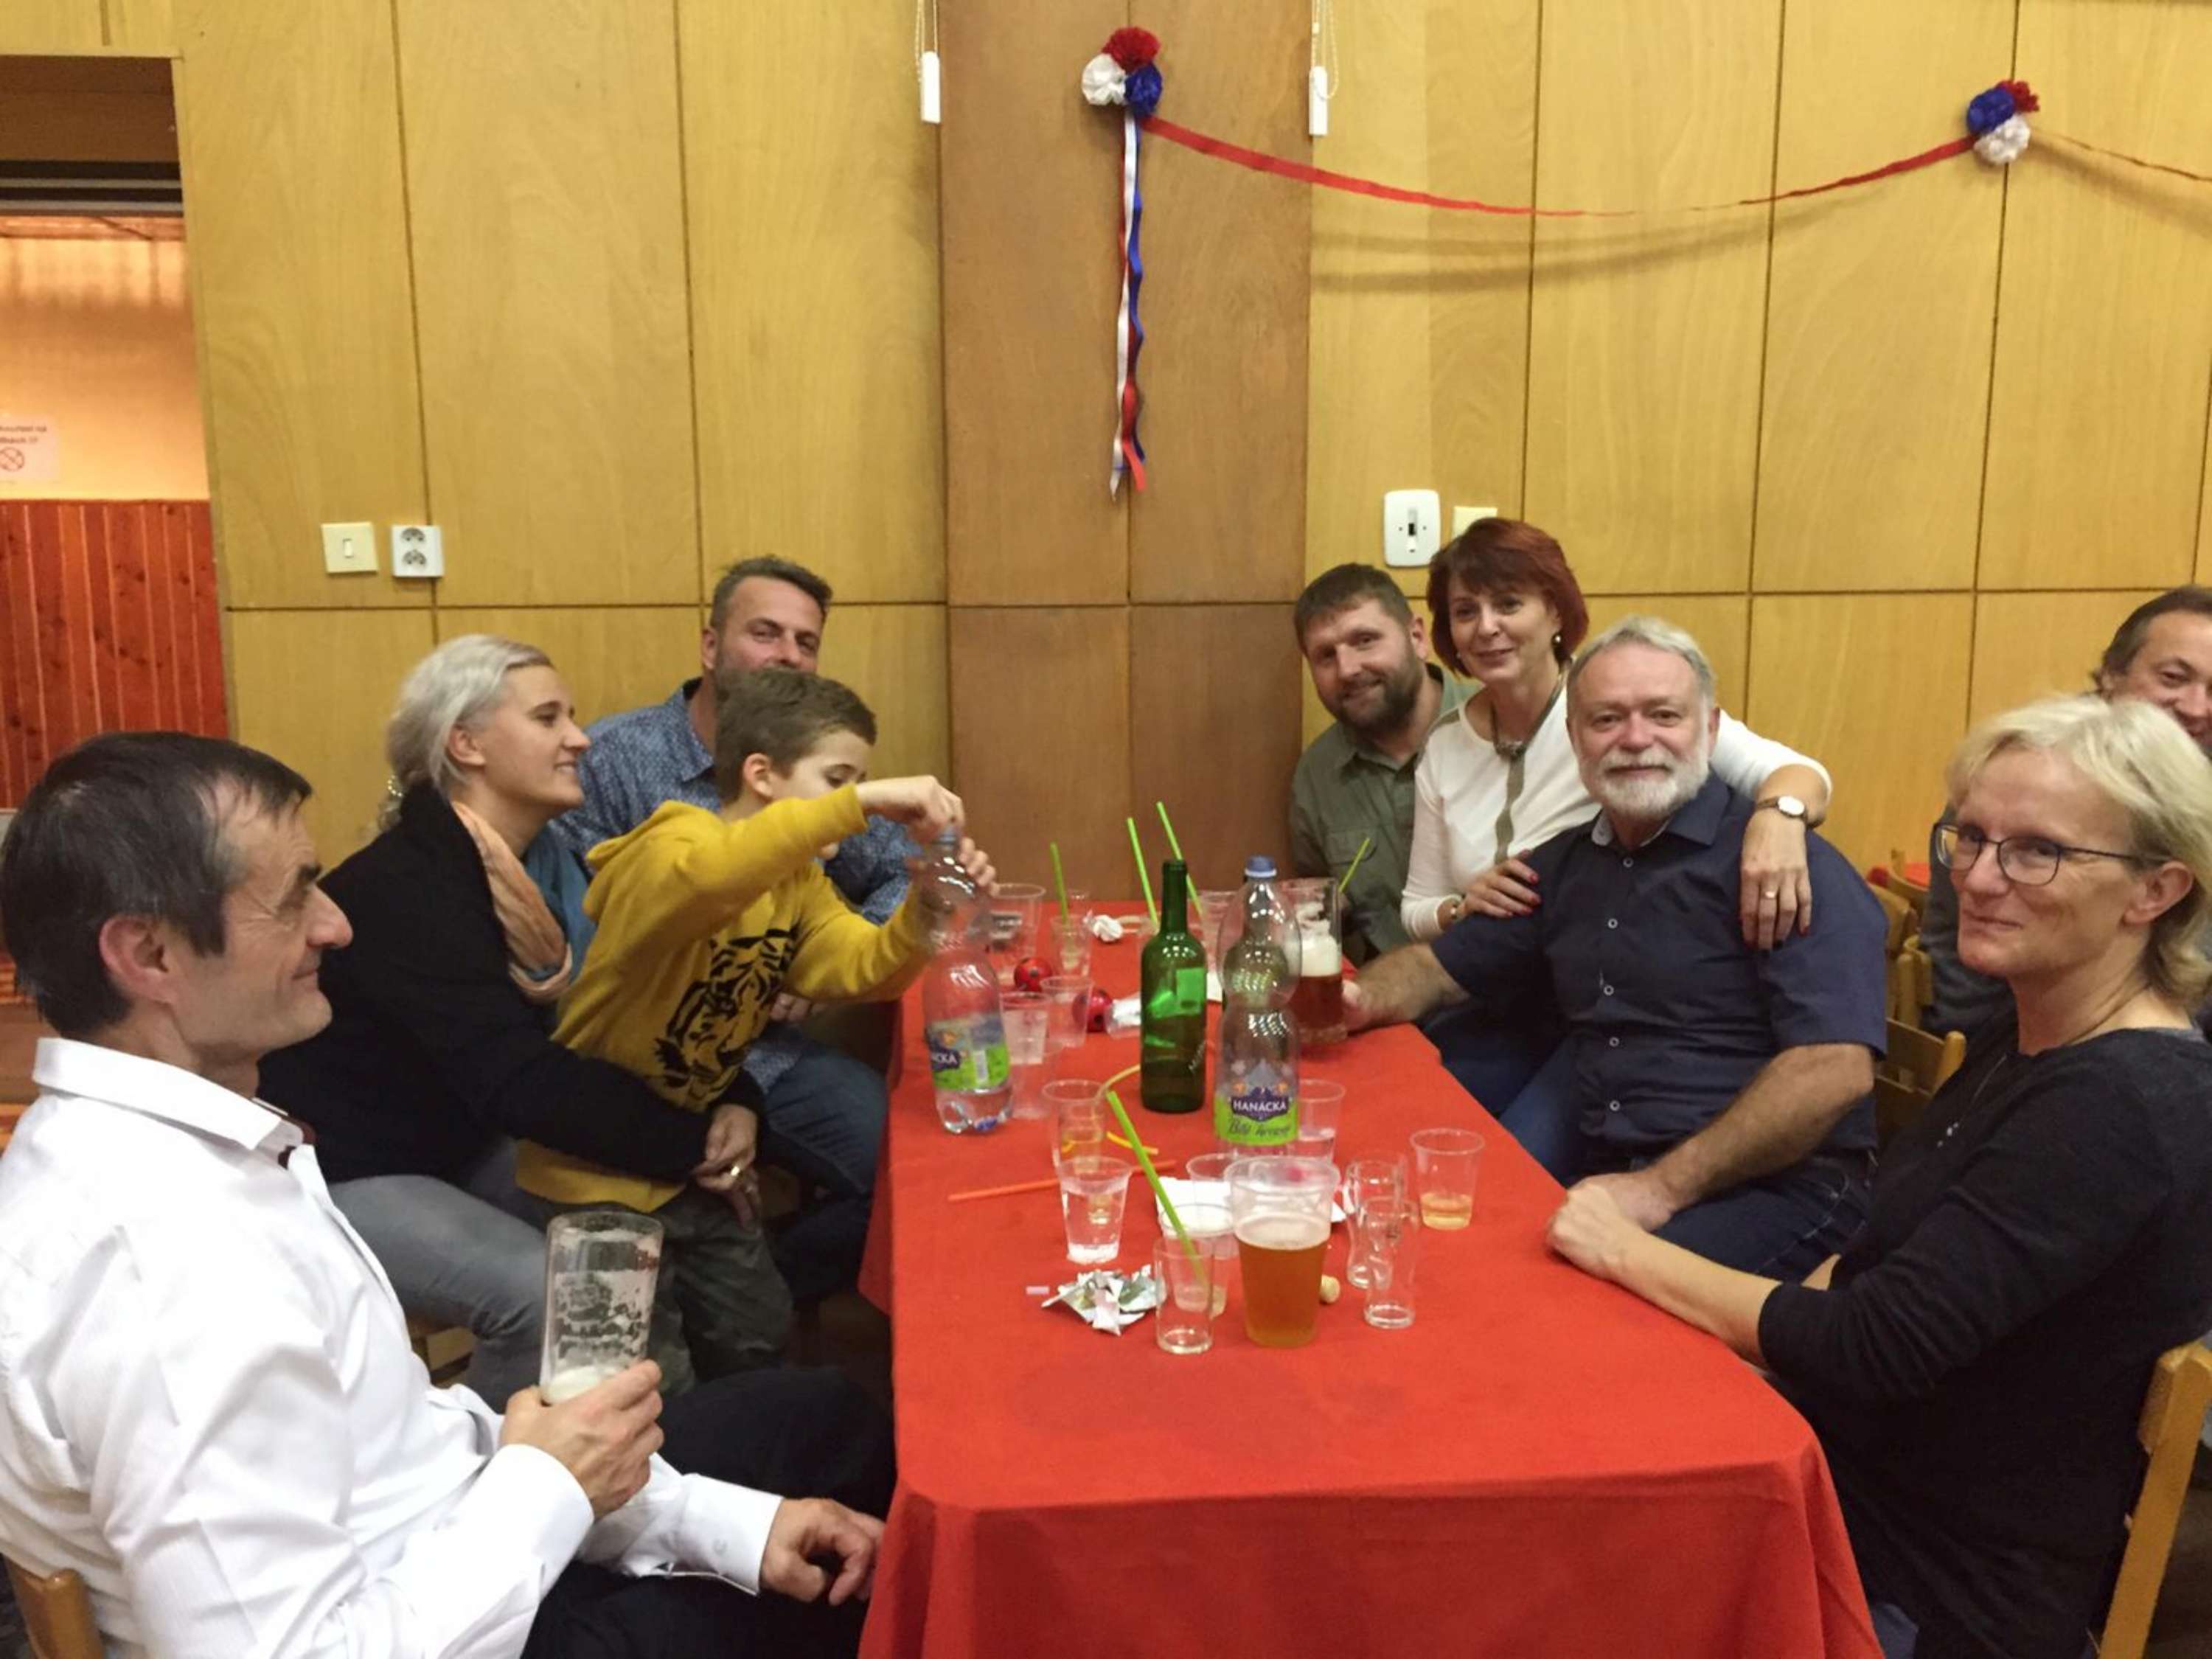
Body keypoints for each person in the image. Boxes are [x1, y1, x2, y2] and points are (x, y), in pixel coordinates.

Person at [0, 731, 894, 1658]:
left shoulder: (177, 1151)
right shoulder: (167, 1265)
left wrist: (725, 1527)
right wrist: (552, 1486)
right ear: (150, 954)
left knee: (819, 1422)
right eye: (295, 895)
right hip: (432, 1617)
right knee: (847, 1583)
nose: (335, 926)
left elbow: (410, 1439)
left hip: (438, 1559)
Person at [1547, 694, 2212, 1659]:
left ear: (2156, 890)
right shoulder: (2033, 1035)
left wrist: (1623, 1248)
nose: (1978, 876)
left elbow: (1870, 1344)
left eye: (2038, 851)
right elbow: (1866, 1260)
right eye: (1970, 836)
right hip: (1857, 1482)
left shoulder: (2123, 1106)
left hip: (1931, 1587)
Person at [260, 636, 766, 1402]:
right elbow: (518, 1083)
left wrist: (735, 1103)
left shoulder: (553, 866)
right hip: (355, 1165)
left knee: (646, 1223)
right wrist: (689, 1142)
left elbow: (640, 1015)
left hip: (462, 1138)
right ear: (466, 744)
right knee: (544, 1292)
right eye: (548, 718)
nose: (580, 739)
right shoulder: (407, 886)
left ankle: (702, 1436)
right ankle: (500, 1467)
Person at [1346, 616, 1887, 1276]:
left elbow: (1835, 1068)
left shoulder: (1784, 868)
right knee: (1423, 1244)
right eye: (1607, 720)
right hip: (1616, 1176)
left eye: (1663, 715)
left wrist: (1659, 1190)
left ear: (1710, 730)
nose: (1635, 740)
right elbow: (1437, 968)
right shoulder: (1566, 866)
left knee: (1547, 1299)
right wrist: (1353, 1000)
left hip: (1776, 1190)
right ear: (1575, 739)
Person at [519, 669, 989, 1394]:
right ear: (761, 775)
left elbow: (862, 970)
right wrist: (857, 807)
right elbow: (711, 881)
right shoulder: (674, 840)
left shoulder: (799, 886)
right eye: (836, 779)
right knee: (640, 1388)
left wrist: (927, 904)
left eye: (857, 783)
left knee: (758, 1335)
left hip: (697, 1157)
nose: (854, 804)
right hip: (593, 1173)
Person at [1397, 521, 1832, 1142]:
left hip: (1608, 1009)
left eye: (1509, 604)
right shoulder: (1444, 744)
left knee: (1519, 1151)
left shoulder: (1615, 702)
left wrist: (1778, 817)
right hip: (1494, 996)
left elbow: (1801, 774)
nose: (1486, 627)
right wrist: (1460, 906)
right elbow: (1416, 907)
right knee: (1416, 1116)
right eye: (1466, 612)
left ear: (1555, 611)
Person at [552, 557, 905, 1304]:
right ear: (711, 645)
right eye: (765, 633)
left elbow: (887, 885)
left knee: (901, 1164)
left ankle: (765, 1285)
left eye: (805, 643)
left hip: (763, 1047)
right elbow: (619, 924)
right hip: (630, 1068)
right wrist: (851, 804)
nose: (787, 655)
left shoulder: (814, 767)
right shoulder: (621, 762)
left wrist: (828, 967)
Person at [1921, 585, 2212, 1039]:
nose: (2196, 708)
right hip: (2019, 1035)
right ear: (2112, 675)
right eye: (2173, 678)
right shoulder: (2025, 772)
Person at [1288, 562, 1474, 963]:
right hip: (1391, 990)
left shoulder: (1498, 724)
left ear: (1417, 637)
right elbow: (1323, 918)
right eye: (1325, 656)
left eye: (1365, 641)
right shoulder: (1318, 775)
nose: (1347, 669)